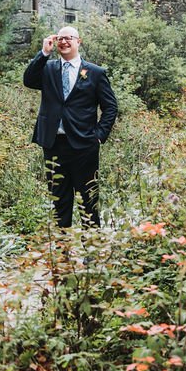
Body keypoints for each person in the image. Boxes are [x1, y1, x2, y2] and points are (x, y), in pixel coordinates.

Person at [23, 26, 117, 227]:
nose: (64, 42)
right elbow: (28, 80)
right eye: (60, 39)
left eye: (69, 38)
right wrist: (44, 53)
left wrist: (99, 135)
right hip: (54, 145)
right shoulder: (48, 68)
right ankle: (62, 252)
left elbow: (110, 107)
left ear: (78, 41)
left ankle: (92, 253)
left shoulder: (95, 72)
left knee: (88, 201)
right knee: (59, 202)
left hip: (84, 146)